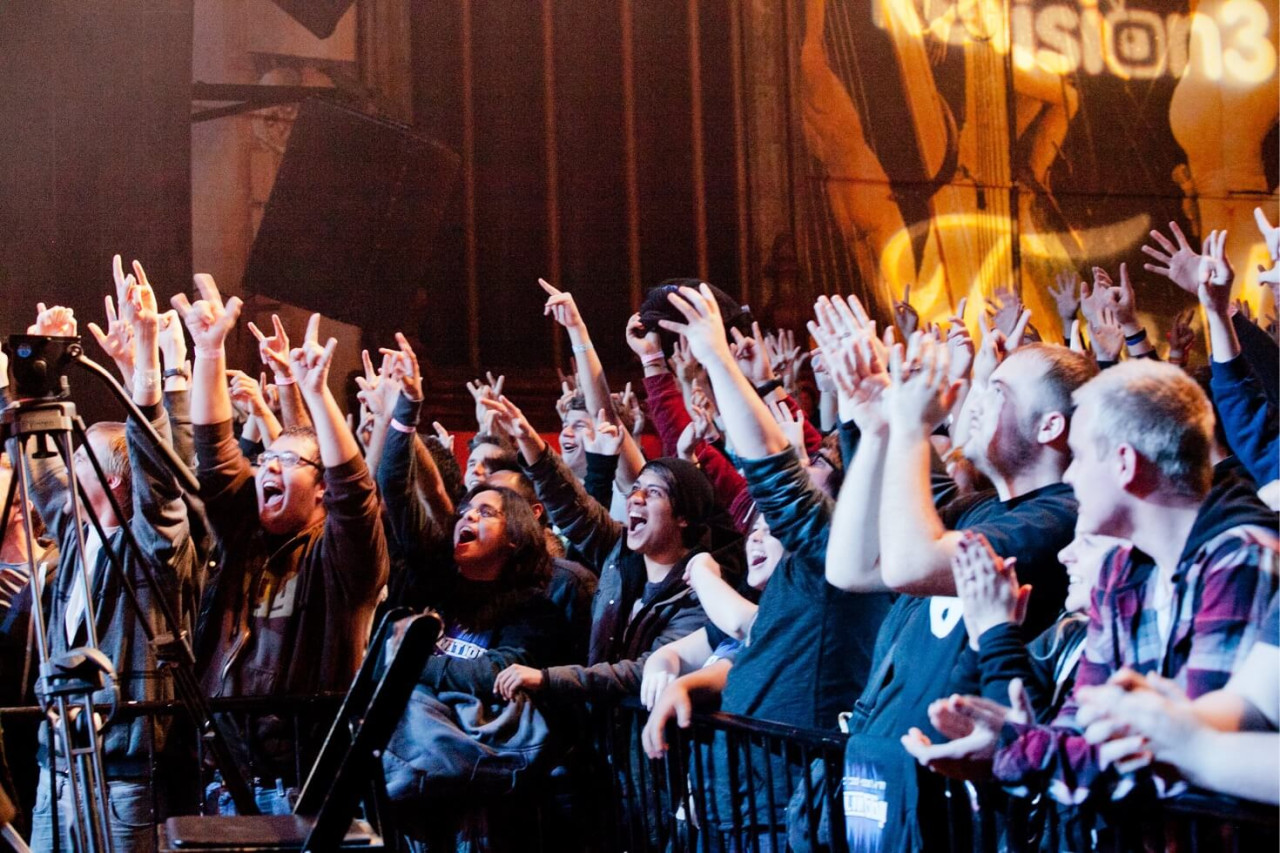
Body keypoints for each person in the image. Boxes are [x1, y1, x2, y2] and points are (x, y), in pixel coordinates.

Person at [639, 284, 894, 849]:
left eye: (823, 461)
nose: (760, 530)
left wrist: (716, 359)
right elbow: (764, 645)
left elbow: (776, 479)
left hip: (782, 817)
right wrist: (700, 683)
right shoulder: (798, 574)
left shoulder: (837, 561)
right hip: (740, 808)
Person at [992, 359, 1279, 807]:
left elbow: (1180, 766)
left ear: (1124, 463)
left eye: (1080, 456)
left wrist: (1024, 751)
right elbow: (1089, 723)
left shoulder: (1244, 554)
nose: (1068, 475)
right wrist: (1017, 746)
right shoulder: (1120, 570)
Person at [174, 278, 388, 813]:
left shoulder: (340, 561)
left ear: (321, 487)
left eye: (288, 460)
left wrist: (315, 395)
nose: (269, 464)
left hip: (302, 784)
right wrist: (207, 352)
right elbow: (216, 454)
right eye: (266, 458)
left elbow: (356, 495)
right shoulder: (245, 537)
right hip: (223, 775)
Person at [17, 263, 198, 852]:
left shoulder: (152, 547)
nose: (67, 469)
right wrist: (37, 367)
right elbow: (37, 458)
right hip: (57, 761)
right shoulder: (75, 529)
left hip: (122, 772)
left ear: (115, 482)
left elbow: (158, 476)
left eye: (82, 460)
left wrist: (148, 362)